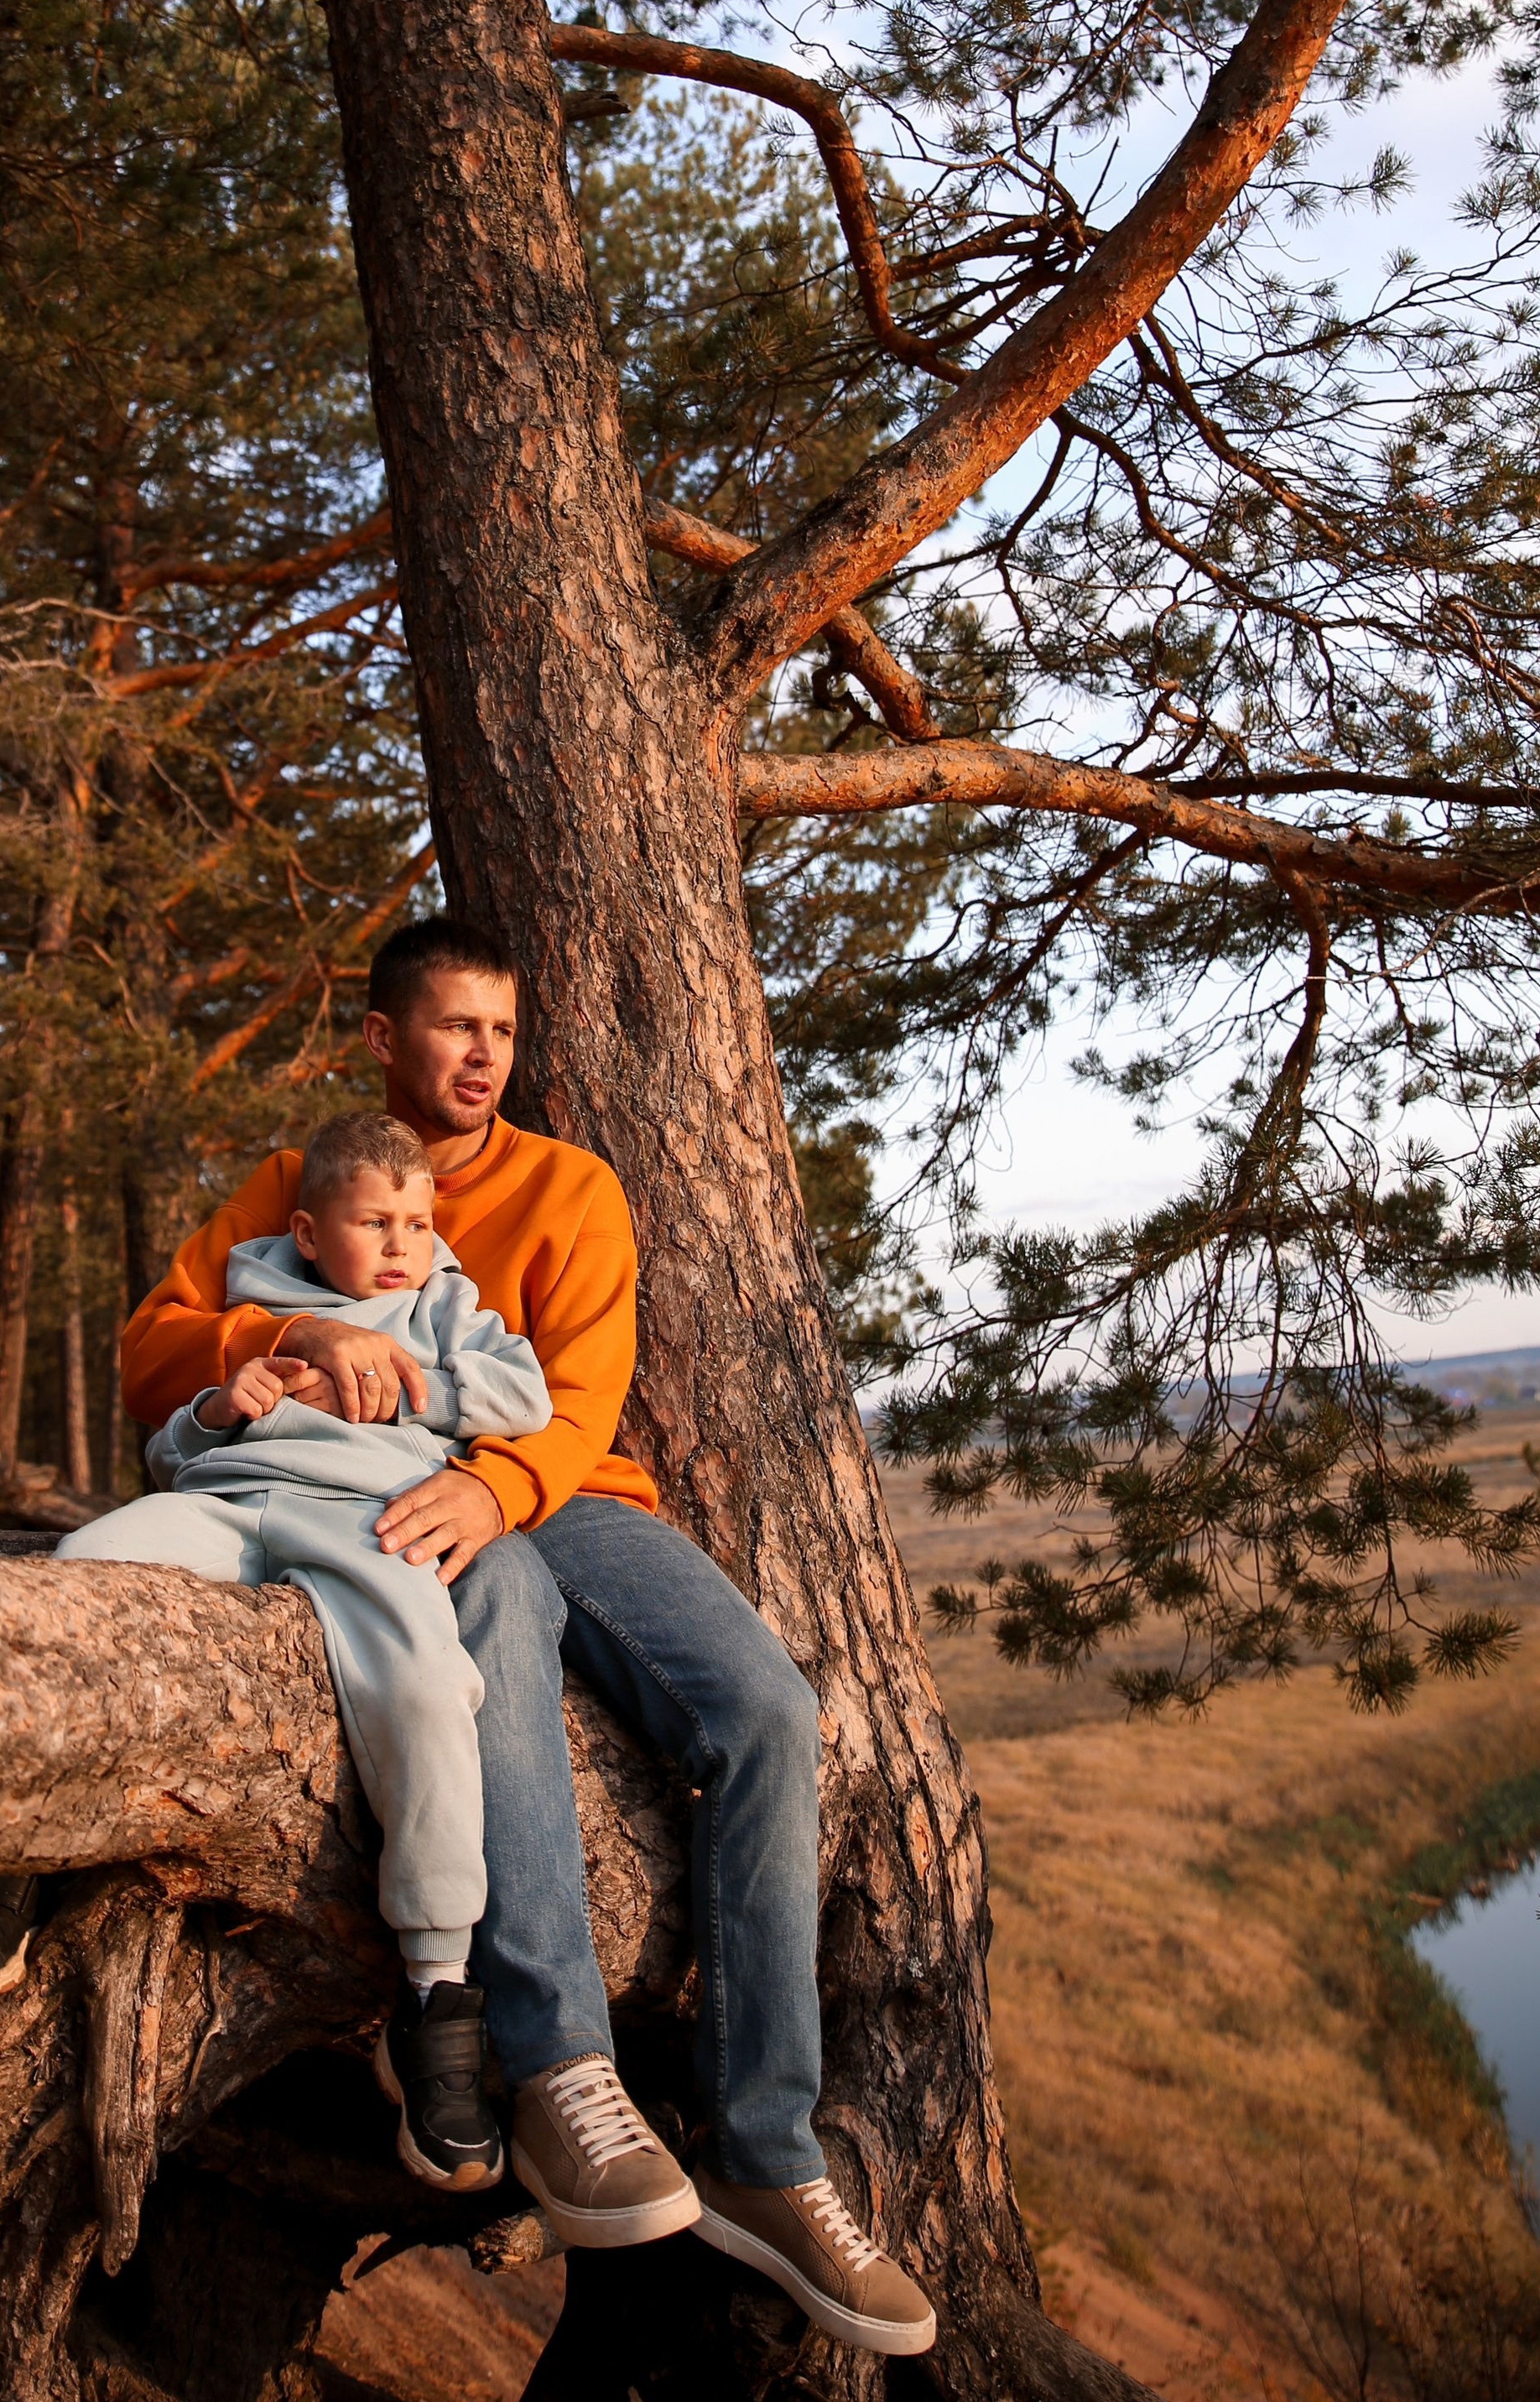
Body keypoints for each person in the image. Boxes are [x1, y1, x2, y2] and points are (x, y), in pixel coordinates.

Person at [107, 915, 938, 2359]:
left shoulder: (572, 1188)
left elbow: (583, 1399)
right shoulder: (297, 1185)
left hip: (563, 1493)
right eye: (452, 1027)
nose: (484, 1055)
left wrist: (488, 1487)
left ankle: (767, 2154)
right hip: (383, 1502)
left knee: (769, 1717)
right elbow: (150, 1350)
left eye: (501, 1030)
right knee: (484, 1613)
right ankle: (559, 2076)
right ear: (385, 1038)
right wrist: (288, 1351)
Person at [51, 1111, 551, 2193]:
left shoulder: (445, 1300)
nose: (403, 1243)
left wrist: (409, 1376)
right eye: (377, 1223)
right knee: (75, 1576)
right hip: (229, 1502)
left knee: (425, 1690)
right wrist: (218, 1408)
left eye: (418, 1222)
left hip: (371, 1523)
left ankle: (434, 1989)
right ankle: (8, 1859)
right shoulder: (250, 1291)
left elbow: (526, 1393)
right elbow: (168, 1444)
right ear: (312, 1234)